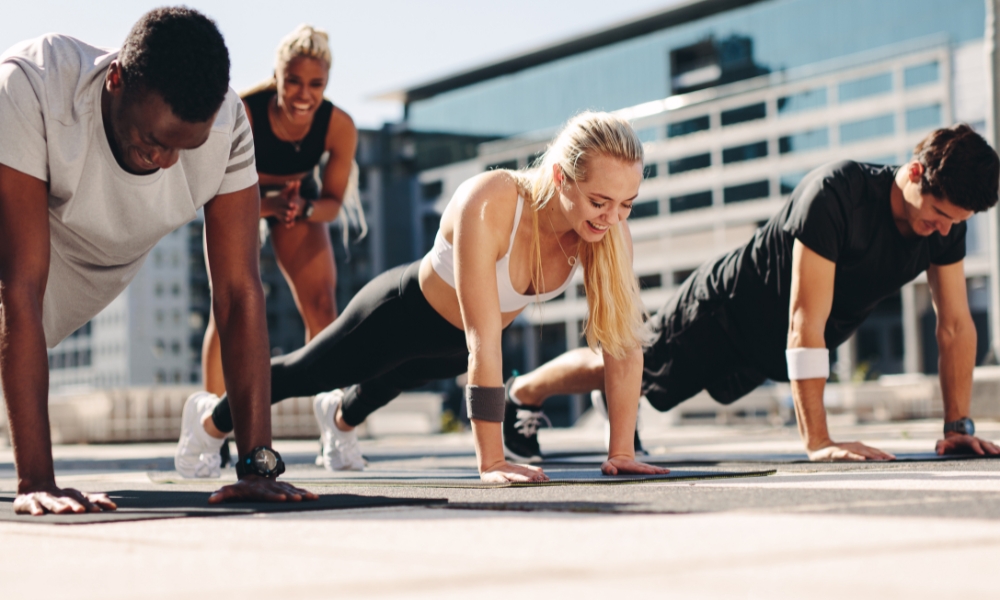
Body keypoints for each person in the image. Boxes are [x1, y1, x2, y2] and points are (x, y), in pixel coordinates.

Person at [177, 111, 670, 481]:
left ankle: (338, 419)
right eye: (599, 201)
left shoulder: (607, 235)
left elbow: (623, 346)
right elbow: (484, 339)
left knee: (387, 385)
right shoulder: (493, 201)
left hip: (453, 351)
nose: (611, 217)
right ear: (562, 176)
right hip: (401, 314)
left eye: (626, 204)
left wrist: (621, 452)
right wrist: (492, 460)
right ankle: (208, 420)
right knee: (309, 372)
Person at [504, 124, 1000, 462]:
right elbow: (806, 316)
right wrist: (819, 441)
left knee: (641, 387)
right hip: (723, 311)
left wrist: (959, 426)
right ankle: (523, 393)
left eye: (954, 223)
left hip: (772, 346)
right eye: (938, 215)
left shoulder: (943, 227)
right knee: (631, 363)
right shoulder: (838, 193)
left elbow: (954, 325)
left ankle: (615, 401)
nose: (942, 231)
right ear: (915, 173)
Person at [0, 7, 316, 516]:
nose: (167, 161)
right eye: (153, 140)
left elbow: (238, 292)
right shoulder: (34, 87)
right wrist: (38, 478)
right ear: (117, 79)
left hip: (52, 300)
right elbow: (18, 285)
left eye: (182, 147)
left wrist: (258, 466)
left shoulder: (227, 126)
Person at [201, 24, 364, 399]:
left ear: (326, 83)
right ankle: (212, 427)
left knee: (323, 305)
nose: (304, 94)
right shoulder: (244, 111)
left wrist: (302, 207)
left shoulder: (339, 126)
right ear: (276, 76)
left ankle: (332, 423)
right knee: (226, 306)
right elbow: (213, 187)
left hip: (297, 200)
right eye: (292, 81)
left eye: (316, 84)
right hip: (236, 193)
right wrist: (268, 202)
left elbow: (333, 205)